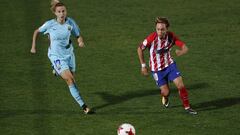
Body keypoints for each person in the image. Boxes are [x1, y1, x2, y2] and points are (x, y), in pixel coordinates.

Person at [30, 0, 93, 114]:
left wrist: (80, 42)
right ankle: (84, 106)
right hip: (56, 56)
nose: (62, 13)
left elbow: (78, 35)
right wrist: (33, 46)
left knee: (72, 80)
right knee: (70, 80)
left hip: (69, 54)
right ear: (55, 13)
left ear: (66, 11)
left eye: (63, 11)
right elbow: (36, 31)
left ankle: (56, 69)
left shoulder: (70, 22)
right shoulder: (50, 24)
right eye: (59, 11)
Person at [137, 17, 197, 115]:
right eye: (158, 29)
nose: (160, 32)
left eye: (162, 29)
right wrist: (143, 65)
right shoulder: (151, 38)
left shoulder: (171, 36)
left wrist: (181, 52)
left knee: (181, 85)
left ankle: (187, 107)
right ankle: (165, 97)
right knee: (166, 92)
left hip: (169, 65)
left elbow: (185, 47)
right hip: (156, 70)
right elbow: (140, 49)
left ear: (167, 29)